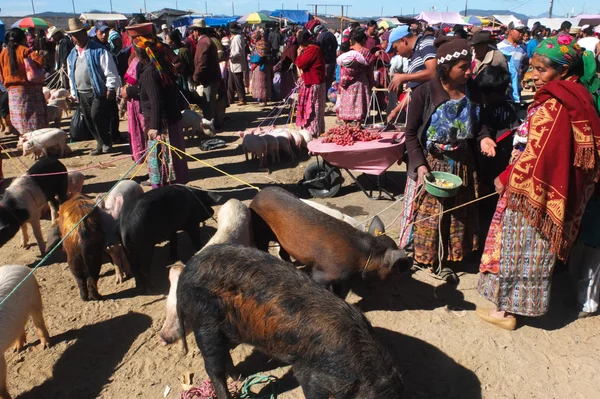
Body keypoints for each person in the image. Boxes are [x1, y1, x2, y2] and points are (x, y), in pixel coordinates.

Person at [476, 34, 600, 330]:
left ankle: (506, 312)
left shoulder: (556, 104)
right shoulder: (578, 96)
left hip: (531, 190)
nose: (532, 76)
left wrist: (505, 177)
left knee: (517, 248)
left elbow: (537, 154)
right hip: (553, 189)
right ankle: (522, 305)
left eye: (541, 69)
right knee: (534, 251)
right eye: (532, 68)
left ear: (565, 71)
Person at [402, 37, 492, 281]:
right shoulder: (424, 93)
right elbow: (410, 134)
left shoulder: (472, 89)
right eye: (462, 67)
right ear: (445, 69)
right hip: (433, 165)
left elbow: (481, 123)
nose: (468, 71)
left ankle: (454, 254)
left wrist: (484, 138)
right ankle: (431, 258)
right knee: (432, 215)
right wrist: (420, 165)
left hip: (463, 163)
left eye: (469, 65)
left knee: (459, 213)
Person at [131, 31, 189, 187]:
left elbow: (156, 101)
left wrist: (154, 127)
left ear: (138, 55)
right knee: (173, 164)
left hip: (161, 125)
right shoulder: (161, 66)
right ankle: (176, 189)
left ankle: (165, 192)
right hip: (171, 119)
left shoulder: (150, 72)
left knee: (162, 164)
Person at [66, 18, 119, 155]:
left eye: (78, 34)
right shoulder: (73, 54)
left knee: (96, 116)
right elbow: (71, 73)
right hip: (81, 91)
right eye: (73, 35)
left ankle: (107, 142)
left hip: (96, 90)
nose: (76, 38)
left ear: (85, 33)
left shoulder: (98, 50)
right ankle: (99, 143)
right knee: (89, 120)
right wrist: (73, 91)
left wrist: (111, 87)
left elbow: (110, 69)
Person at [0, 28, 48, 136]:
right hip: (29, 89)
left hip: (12, 92)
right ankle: (36, 139)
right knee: (33, 117)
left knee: (19, 118)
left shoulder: (3, 53)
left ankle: (23, 139)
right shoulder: (25, 51)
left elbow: (1, 73)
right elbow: (40, 62)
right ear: (23, 38)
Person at [336, 29, 373, 124]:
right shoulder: (366, 52)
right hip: (360, 83)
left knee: (347, 105)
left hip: (346, 83)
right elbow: (369, 68)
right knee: (359, 107)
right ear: (364, 40)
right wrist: (372, 81)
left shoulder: (347, 50)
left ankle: (346, 124)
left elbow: (341, 67)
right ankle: (358, 125)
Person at [190, 19, 223, 122]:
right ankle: (215, 123)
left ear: (197, 31)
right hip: (212, 77)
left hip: (209, 78)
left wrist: (195, 77)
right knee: (212, 102)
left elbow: (202, 63)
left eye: (193, 31)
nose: (193, 34)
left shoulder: (203, 43)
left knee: (208, 104)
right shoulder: (207, 41)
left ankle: (209, 125)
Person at [295, 29, 326, 136]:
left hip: (313, 83)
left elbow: (301, 64)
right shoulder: (313, 49)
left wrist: (298, 55)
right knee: (314, 108)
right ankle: (312, 130)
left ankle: (312, 132)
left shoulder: (313, 50)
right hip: (314, 82)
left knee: (313, 109)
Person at [497, 22, 527, 107]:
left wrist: (523, 72)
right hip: (504, 87)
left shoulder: (523, 48)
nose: (521, 34)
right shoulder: (499, 47)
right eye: (519, 31)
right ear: (510, 31)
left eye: (522, 31)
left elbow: (526, 62)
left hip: (517, 88)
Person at [227, 22, 248, 105]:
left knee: (238, 82)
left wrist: (230, 55)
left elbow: (238, 52)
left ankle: (242, 99)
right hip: (233, 64)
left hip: (237, 63)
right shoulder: (235, 38)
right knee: (230, 82)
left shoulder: (238, 38)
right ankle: (230, 98)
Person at [249, 29, 272, 105]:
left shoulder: (259, 44)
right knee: (265, 82)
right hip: (266, 65)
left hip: (259, 66)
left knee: (261, 83)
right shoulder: (265, 43)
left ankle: (262, 99)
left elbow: (258, 57)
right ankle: (264, 99)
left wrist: (252, 59)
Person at [314, 24, 338, 92]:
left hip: (325, 61)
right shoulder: (332, 35)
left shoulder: (321, 37)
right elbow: (335, 46)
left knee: (324, 79)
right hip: (333, 60)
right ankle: (328, 94)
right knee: (330, 79)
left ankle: (323, 95)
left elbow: (318, 48)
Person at [278, 35, 298, 100]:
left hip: (284, 69)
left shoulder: (287, 47)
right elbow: (294, 59)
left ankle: (285, 98)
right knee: (290, 85)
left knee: (285, 85)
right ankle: (289, 99)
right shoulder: (294, 48)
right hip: (289, 70)